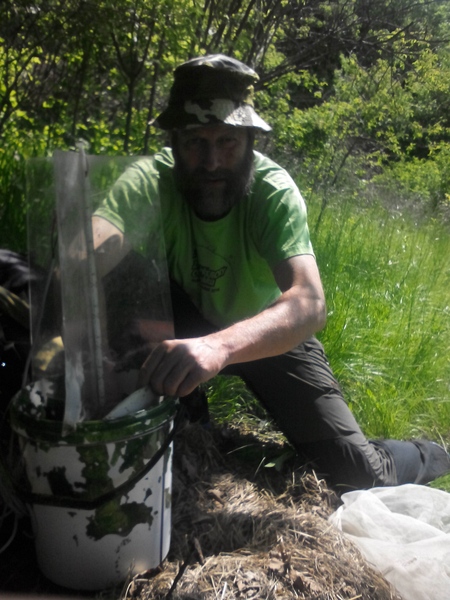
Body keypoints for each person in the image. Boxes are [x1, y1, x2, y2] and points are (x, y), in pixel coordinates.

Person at [93, 54, 450, 491]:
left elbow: (309, 303)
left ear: (250, 142)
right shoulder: (149, 179)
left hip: (265, 329)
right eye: (194, 142)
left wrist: (218, 346)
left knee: (358, 473)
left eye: (227, 141)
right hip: (180, 326)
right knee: (129, 294)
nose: (211, 163)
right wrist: (73, 257)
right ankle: (193, 421)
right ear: (173, 142)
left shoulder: (272, 190)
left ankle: (429, 453)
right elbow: (91, 248)